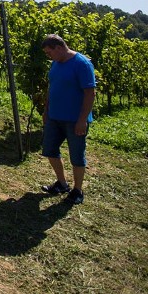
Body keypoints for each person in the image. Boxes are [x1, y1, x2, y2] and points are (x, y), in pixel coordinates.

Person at [40, 34, 96, 205]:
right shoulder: (56, 64)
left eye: (50, 52)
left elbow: (89, 93)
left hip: (74, 120)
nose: (49, 56)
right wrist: (46, 109)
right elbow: (52, 87)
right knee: (49, 150)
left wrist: (82, 119)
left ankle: (77, 190)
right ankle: (62, 183)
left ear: (59, 48)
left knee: (77, 156)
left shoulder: (82, 64)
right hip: (54, 117)